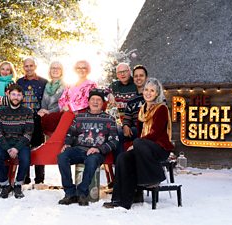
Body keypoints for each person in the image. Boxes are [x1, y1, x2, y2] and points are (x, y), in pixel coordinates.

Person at [103, 78, 174, 210]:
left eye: (152, 90)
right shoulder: (142, 110)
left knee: (137, 142)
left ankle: (155, 178)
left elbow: (155, 133)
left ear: (157, 93)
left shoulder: (161, 109)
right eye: (146, 90)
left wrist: (136, 144)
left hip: (159, 148)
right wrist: (136, 145)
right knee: (123, 158)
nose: (148, 93)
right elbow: (141, 133)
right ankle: (120, 200)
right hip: (144, 147)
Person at [57, 89, 119, 206]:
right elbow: (71, 132)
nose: (95, 102)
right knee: (62, 157)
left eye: (98, 100)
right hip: (79, 149)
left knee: (91, 161)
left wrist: (99, 149)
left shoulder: (109, 119)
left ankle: (82, 193)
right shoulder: (79, 117)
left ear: (102, 103)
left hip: (96, 153)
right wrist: (67, 144)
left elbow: (114, 141)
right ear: (88, 102)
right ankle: (69, 193)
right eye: (93, 100)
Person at [0, 84, 34, 199]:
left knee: (25, 159)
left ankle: (18, 184)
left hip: (21, 143)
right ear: (9, 95)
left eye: (19, 95)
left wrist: (16, 148)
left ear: (22, 97)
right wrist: (8, 148)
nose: (16, 97)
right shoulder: (1, 111)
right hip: (5, 143)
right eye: (13, 94)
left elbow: (28, 133)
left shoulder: (28, 112)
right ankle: (5, 184)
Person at [16, 57, 48, 184]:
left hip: (37, 119)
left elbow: (46, 100)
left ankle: (39, 179)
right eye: (26, 66)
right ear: (23, 67)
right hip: (22, 119)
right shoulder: (19, 82)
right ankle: (25, 177)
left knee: (39, 147)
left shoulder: (43, 82)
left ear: (35, 66)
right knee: (24, 146)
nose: (29, 68)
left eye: (31, 66)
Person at [37, 61, 66, 135]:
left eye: (58, 68)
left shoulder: (66, 85)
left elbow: (63, 105)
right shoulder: (47, 85)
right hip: (47, 118)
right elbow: (43, 101)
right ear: (50, 71)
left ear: (62, 71)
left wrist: (49, 112)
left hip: (59, 118)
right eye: (53, 68)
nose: (55, 70)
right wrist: (44, 111)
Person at [122, 65, 148, 141]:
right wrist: (125, 126)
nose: (138, 78)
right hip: (135, 131)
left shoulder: (153, 95)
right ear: (133, 79)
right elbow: (127, 118)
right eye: (136, 76)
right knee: (119, 133)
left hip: (150, 130)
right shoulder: (131, 100)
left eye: (141, 75)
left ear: (146, 78)